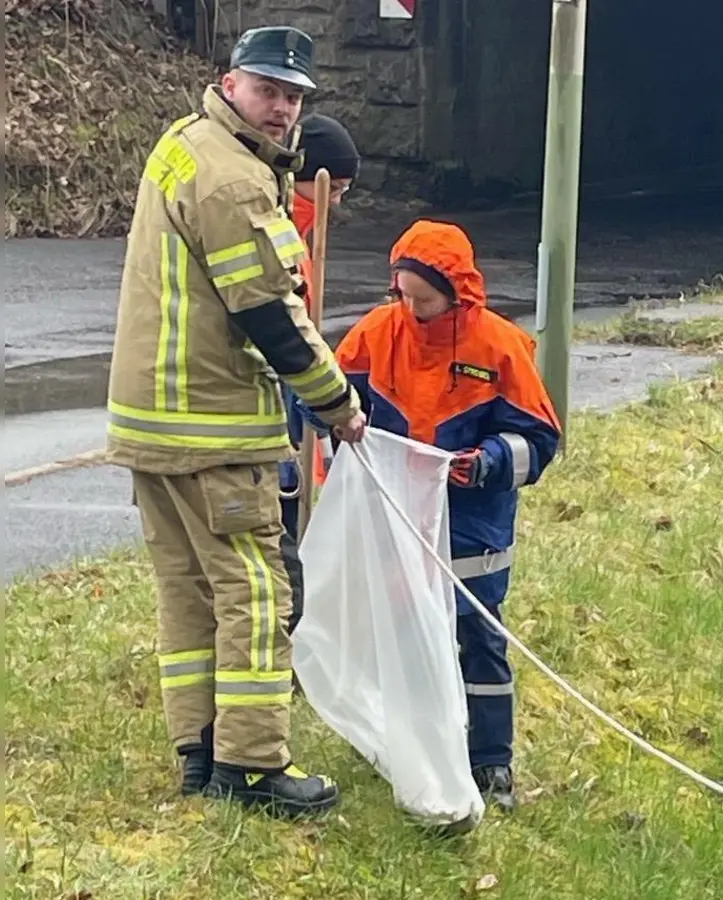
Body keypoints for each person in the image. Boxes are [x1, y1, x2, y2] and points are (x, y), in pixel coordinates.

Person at [105, 24, 367, 820]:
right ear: (232, 82)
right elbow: (269, 315)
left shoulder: (183, 144)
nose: (283, 108)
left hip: (151, 420)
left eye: (293, 96)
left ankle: (200, 753)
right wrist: (338, 403)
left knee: (186, 592)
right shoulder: (232, 181)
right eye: (269, 90)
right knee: (256, 594)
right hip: (213, 424)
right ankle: (252, 767)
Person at [321, 218, 562, 811]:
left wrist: (487, 463)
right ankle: (413, 754)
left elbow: (541, 440)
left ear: (457, 293)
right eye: (401, 294)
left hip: (472, 526)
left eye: (422, 299)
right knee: (402, 636)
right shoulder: (378, 334)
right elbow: (322, 396)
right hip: (395, 519)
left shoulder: (500, 348)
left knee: (478, 638)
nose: (411, 308)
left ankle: (491, 764)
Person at [276, 112, 361, 636]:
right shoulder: (282, 229)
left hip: (289, 405)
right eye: (339, 188)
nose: (339, 202)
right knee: (282, 532)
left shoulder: (300, 228)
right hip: (271, 412)